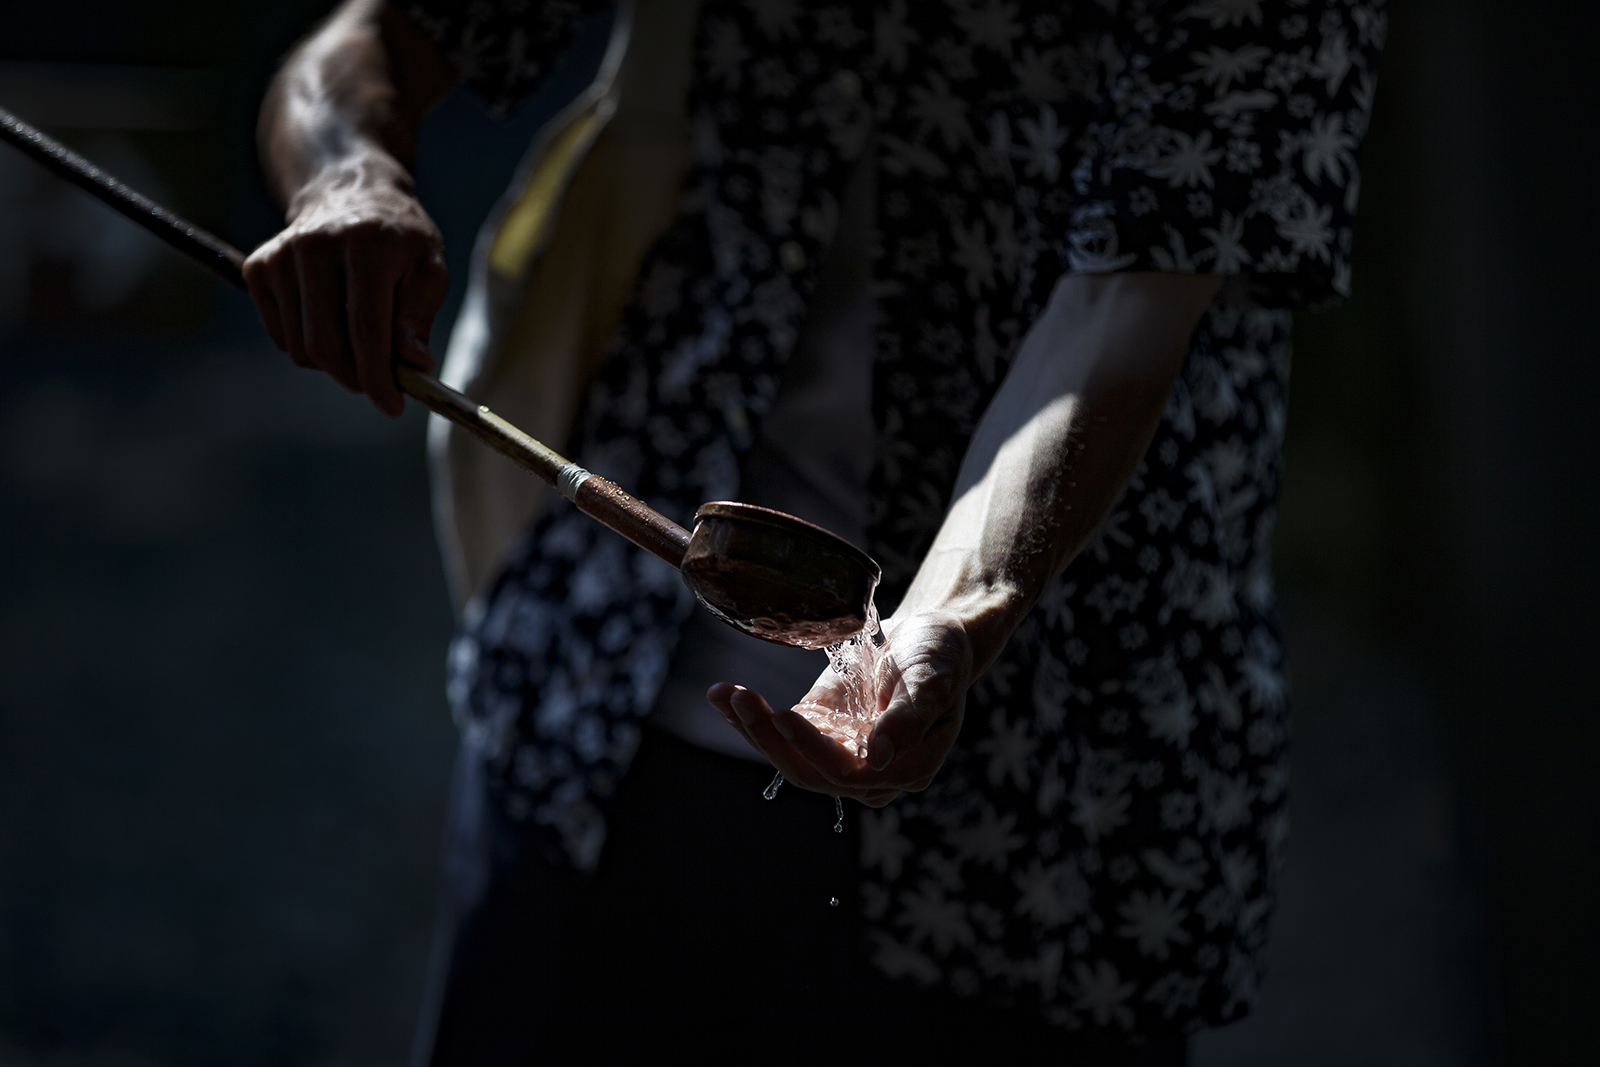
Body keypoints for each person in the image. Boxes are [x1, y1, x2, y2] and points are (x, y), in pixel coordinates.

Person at [244, 0, 1386, 1062]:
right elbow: (373, 44)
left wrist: (944, 620)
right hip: (595, 704)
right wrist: (349, 175)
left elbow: (1128, 296)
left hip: (1050, 794)